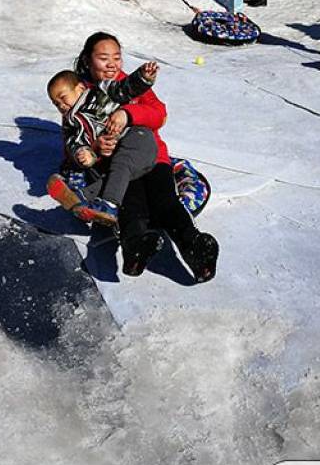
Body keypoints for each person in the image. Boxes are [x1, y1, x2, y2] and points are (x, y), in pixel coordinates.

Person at [71, 31, 220, 283]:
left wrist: (128, 114)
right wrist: (95, 147)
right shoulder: (79, 95)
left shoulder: (131, 84)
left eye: (116, 57)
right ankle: (136, 248)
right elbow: (72, 137)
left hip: (150, 156)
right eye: (103, 58)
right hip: (116, 167)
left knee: (165, 202)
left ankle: (194, 247)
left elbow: (158, 114)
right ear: (87, 60)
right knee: (132, 205)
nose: (111, 64)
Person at [47, 63, 159, 223]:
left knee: (121, 164)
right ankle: (82, 198)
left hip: (138, 139)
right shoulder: (70, 123)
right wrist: (83, 153)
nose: (61, 105)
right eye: (56, 103)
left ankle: (110, 204)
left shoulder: (99, 92)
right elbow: (73, 142)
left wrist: (143, 78)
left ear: (79, 88)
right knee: (112, 175)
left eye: (63, 98)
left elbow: (124, 89)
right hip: (118, 156)